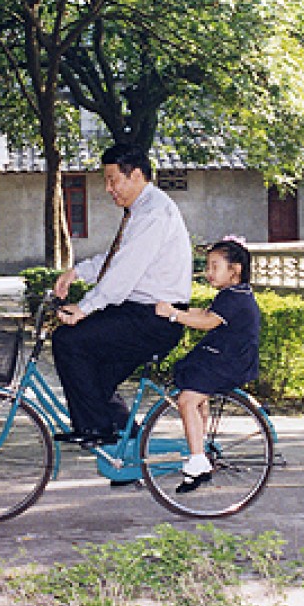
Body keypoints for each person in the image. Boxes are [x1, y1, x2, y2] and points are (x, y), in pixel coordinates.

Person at [52, 144, 192, 448]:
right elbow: (116, 259)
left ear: (136, 175)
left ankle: (97, 429)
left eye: (113, 180)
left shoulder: (154, 213)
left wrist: (85, 308)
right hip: (142, 313)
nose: (108, 189)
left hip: (155, 318)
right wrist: (76, 273)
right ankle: (126, 446)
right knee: (93, 378)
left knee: (69, 341)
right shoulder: (143, 209)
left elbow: (123, 273)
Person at [154, 236, 260, 493]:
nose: (208, 272)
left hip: (228, 361)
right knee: (196, 396)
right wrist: (175, 313)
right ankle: (197, 450)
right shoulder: (233, 293)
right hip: (223, 357)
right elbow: (203, 314)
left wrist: (173, 314)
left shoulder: (234, 297)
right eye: (207, 266)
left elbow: (208, 322)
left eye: (214, 266)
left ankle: (198, 459)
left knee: (187, 400)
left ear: (235, 271)